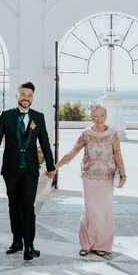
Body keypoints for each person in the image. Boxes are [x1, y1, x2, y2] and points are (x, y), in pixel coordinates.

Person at [0, 82, 56, 261]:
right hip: (11, 169)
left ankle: (29, 245)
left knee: (28, 207)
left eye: (30, 95)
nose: (26, 97)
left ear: (32, 98)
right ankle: (17, 241)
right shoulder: (6, 116)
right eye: (23, 94)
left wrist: (50, 166)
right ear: (17, 95)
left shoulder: (38, 117)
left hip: (30, 170)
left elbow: (45, 143)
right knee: (14, 207)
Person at [55, 104, 126, 257]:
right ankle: (86, 243)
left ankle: (103, 245)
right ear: (90, 117)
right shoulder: (86, 134)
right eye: (95, 116)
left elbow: (118, 155)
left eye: (101, 115)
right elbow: (73, 151)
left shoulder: (113, 134)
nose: (98, 119)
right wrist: (56, 166)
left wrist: (123, 175)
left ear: (106, 116)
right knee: (90, 210)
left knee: (104, 211)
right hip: (89, 177)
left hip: (107, 178)